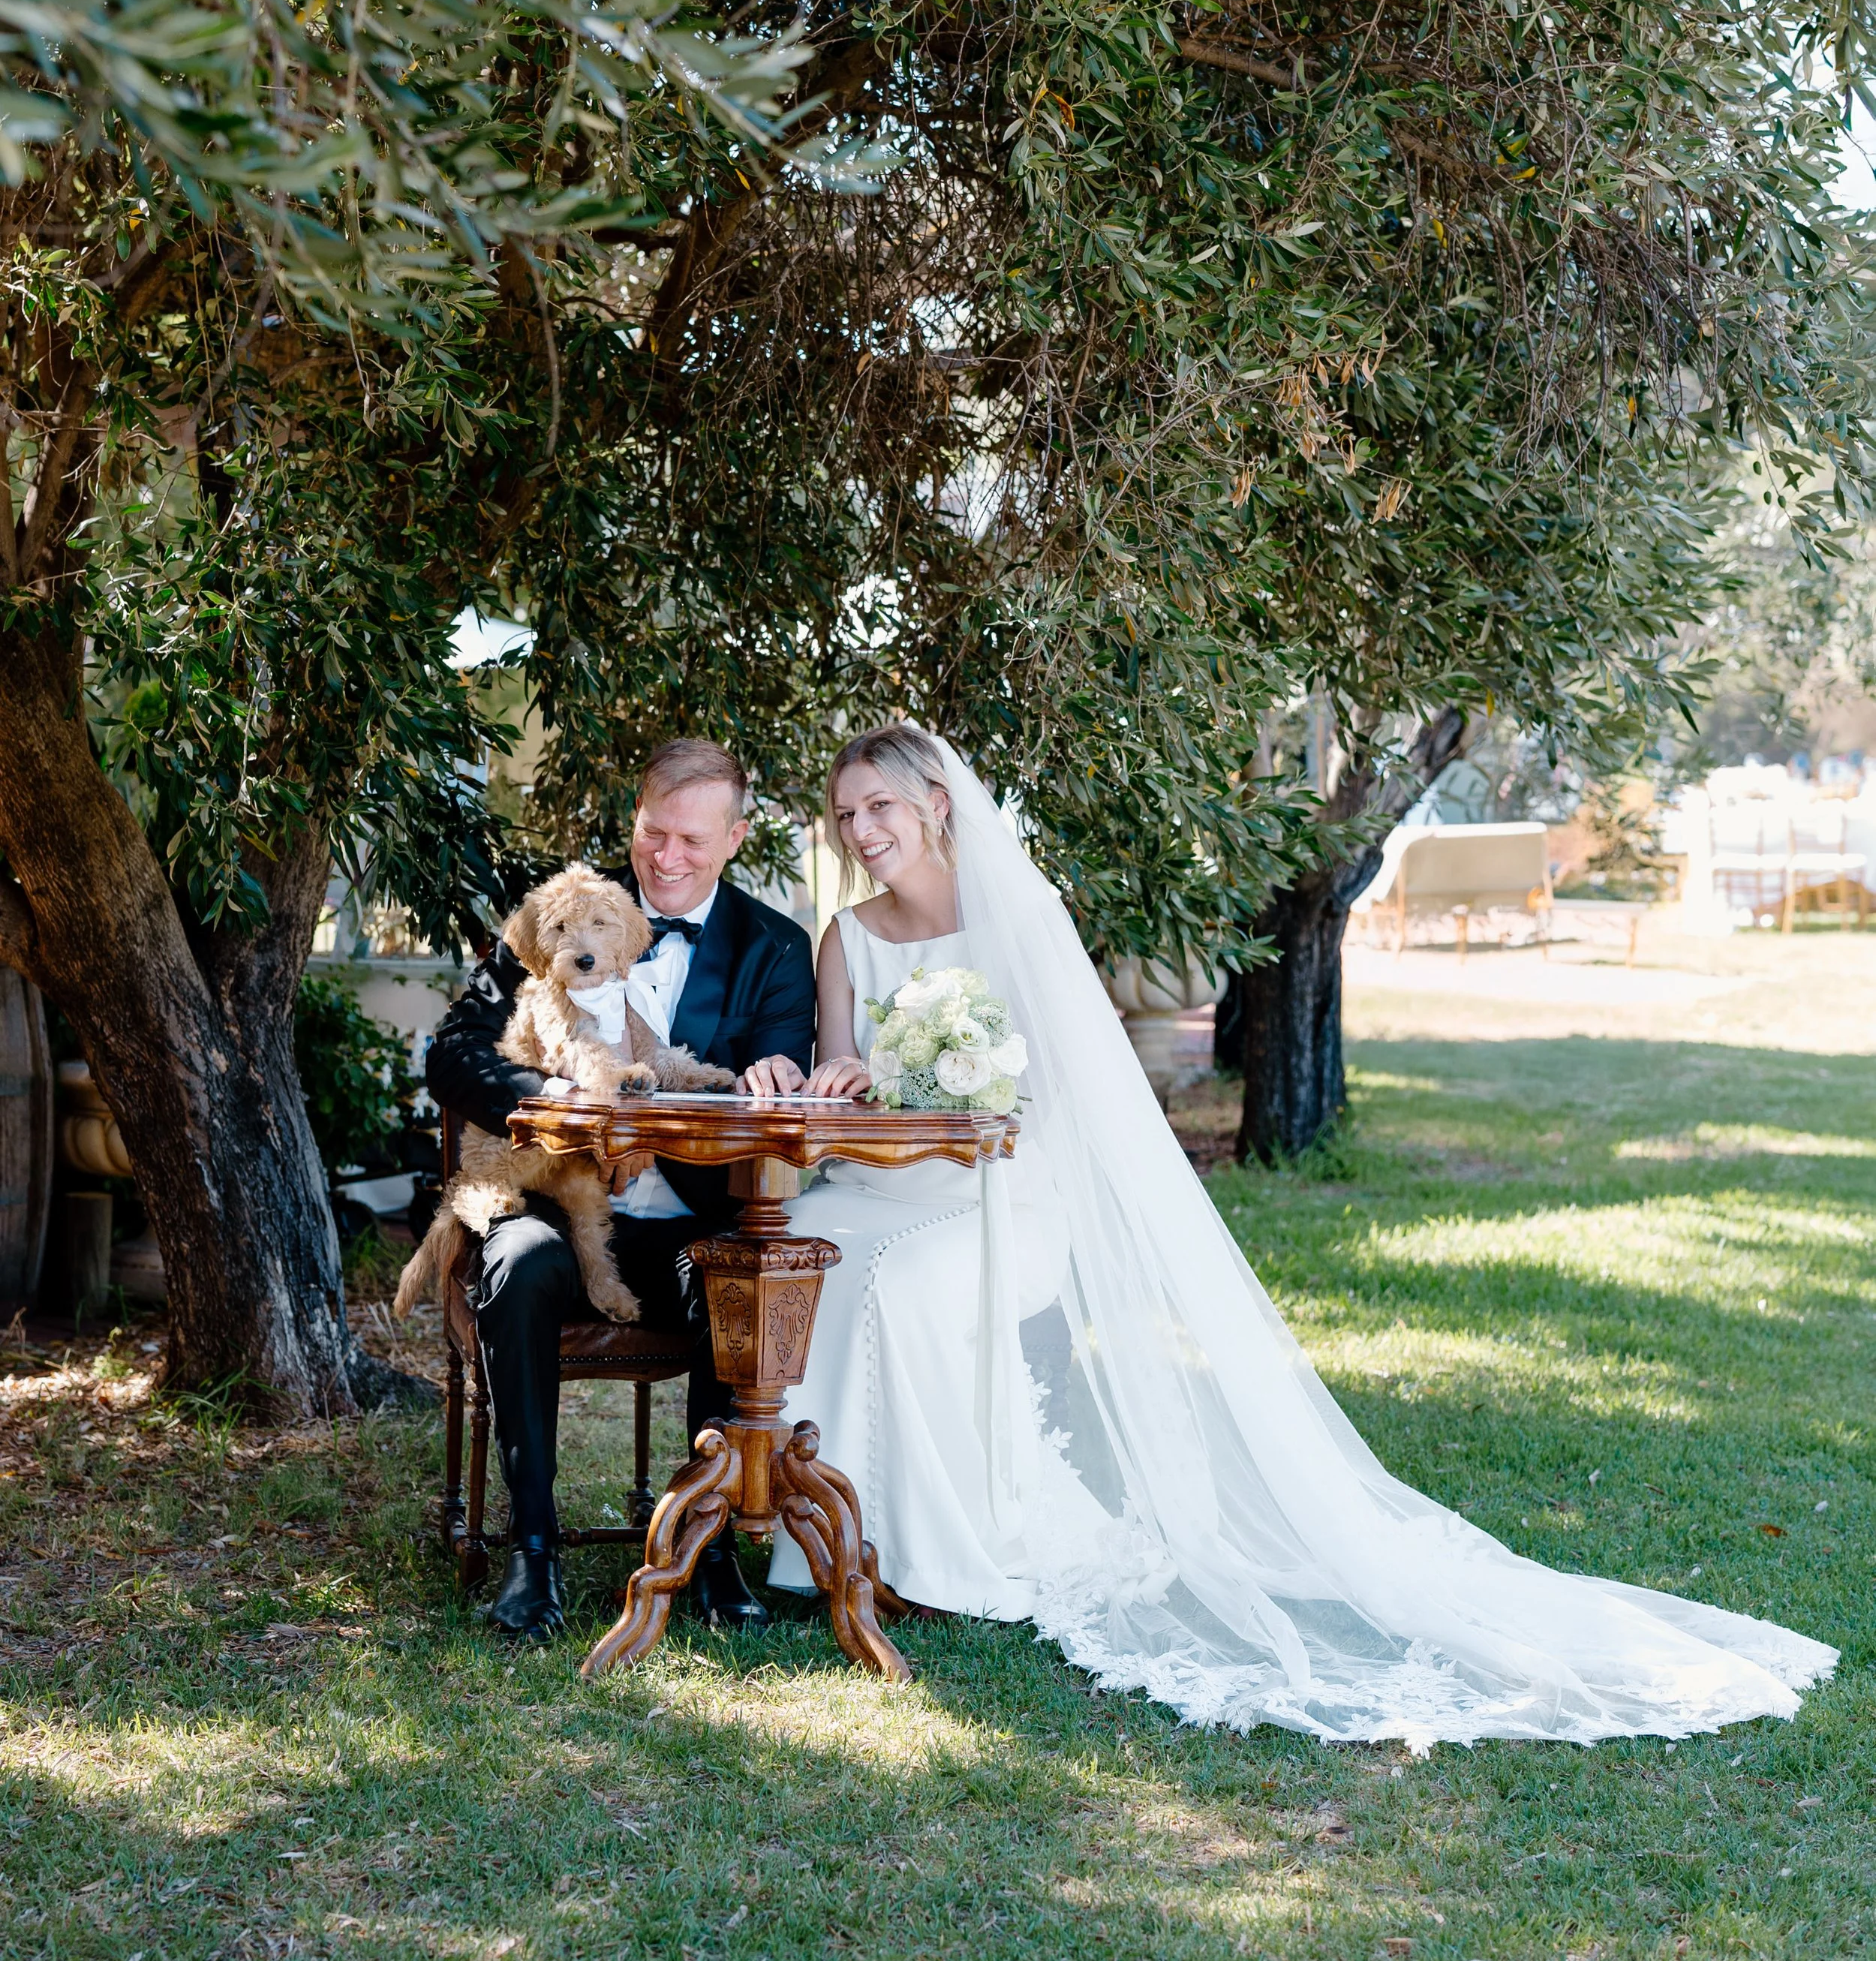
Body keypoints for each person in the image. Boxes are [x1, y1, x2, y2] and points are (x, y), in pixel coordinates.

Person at [753, 725, 1838, 1747]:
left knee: (895, 1280)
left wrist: (957, 1097)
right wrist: (836, 1080)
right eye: (846, 815)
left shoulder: (1021, 922)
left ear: (939, 805)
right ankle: (823, 1550)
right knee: (802, 1251)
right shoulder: (846, 936)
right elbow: (842, 1077)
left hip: (1002, 1196)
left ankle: (941, 1554)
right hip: (884, 1182)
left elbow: (1063, 1097)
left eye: (880, 805)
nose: (862, 832)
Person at [426, 738, 814, 1641]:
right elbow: (452, 1049)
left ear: (735, 837)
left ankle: (709, 1544)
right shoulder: (558, 915)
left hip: (689, 1213)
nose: (667, 858)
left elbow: (778, 1074)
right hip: (557, 1204)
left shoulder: (776, 948)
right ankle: (533, 1548)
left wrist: (773, 1070)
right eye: (652, 834)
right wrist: (549, 1096)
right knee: (517, 1263)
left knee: (740, 1271)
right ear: (632, 820)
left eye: (691, 839)